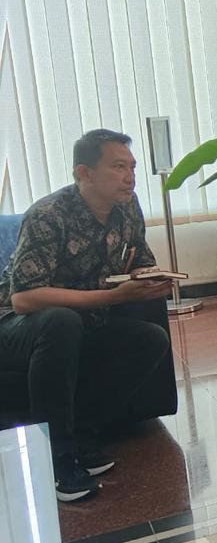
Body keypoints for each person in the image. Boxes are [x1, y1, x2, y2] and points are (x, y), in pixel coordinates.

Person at [0, 129, 173, 502]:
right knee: (61, 321)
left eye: (132, 167)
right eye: (118, 167)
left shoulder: (128, 208)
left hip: (81, 324)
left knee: (149, 340)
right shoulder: (49, 215)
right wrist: (110, 296)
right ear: (84, 172)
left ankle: (82, 435)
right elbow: (24, 299)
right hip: (15, 326)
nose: (129, 177)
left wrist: (150, 278)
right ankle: (57, 460)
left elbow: (140, 258)